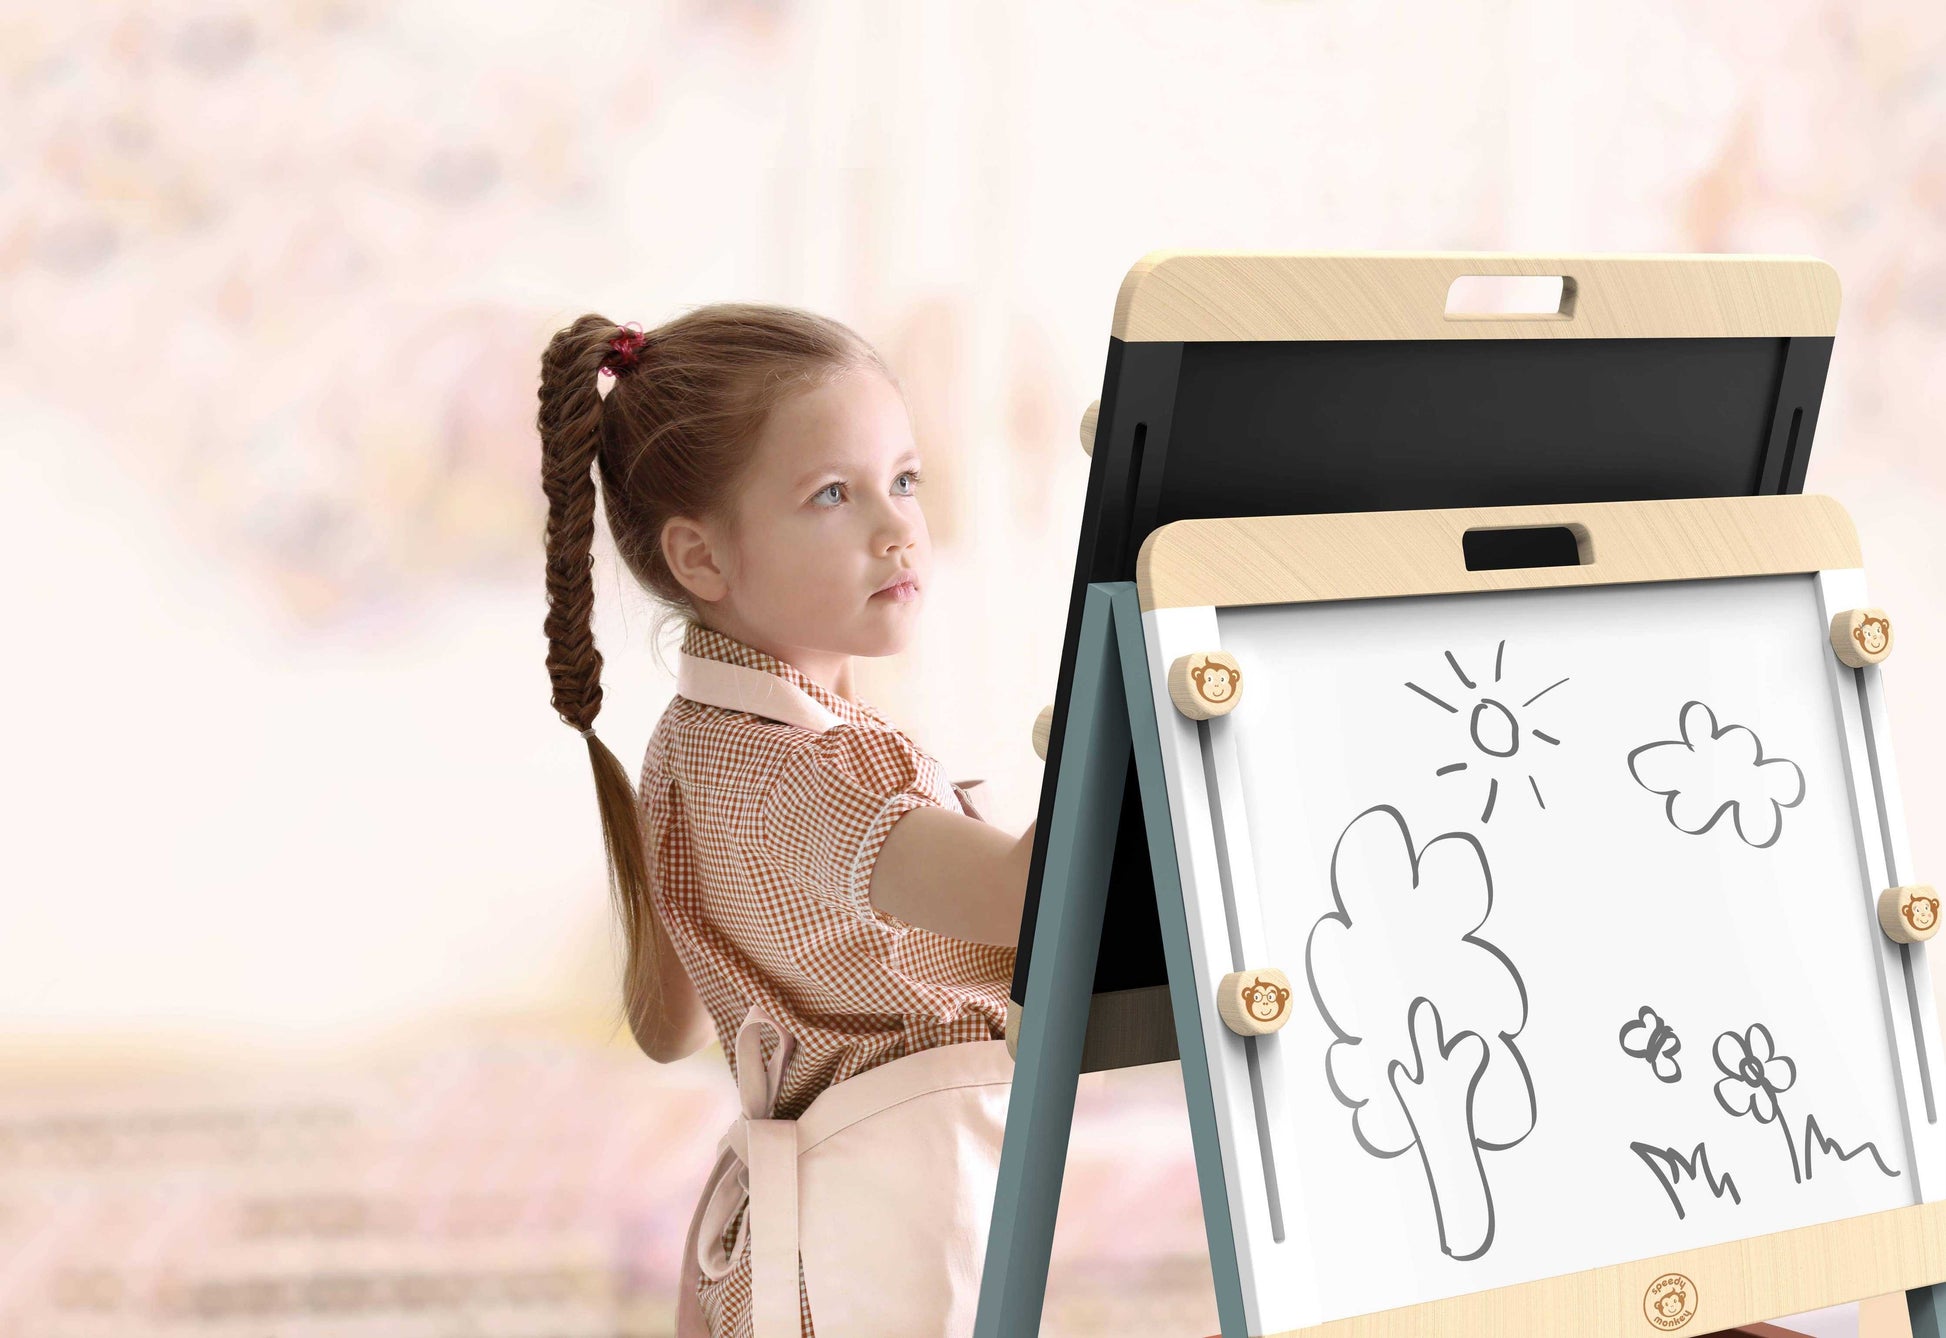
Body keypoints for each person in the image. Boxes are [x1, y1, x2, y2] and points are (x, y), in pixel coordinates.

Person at [535, 304, 1034, 1336]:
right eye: (831, 496)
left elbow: (668, 1023)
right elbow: (1031, 899)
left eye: (904, 481)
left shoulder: (688, 748)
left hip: (809, 1243)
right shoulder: (806, 769)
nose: (895, 528)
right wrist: (1124, 697)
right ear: (702, 560)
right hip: (867, 1247)